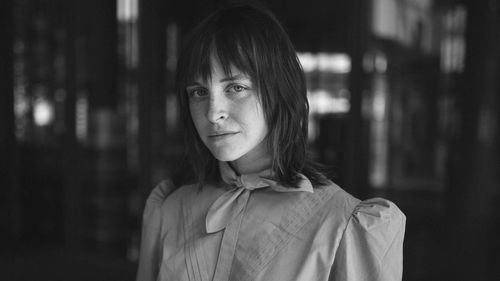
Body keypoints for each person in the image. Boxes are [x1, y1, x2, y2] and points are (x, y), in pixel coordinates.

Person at [136, 3, 405, 281]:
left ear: (278, 90)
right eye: (199, 92)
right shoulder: (169, 211)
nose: (213, 112)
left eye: (236, 88)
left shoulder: (343, 225)